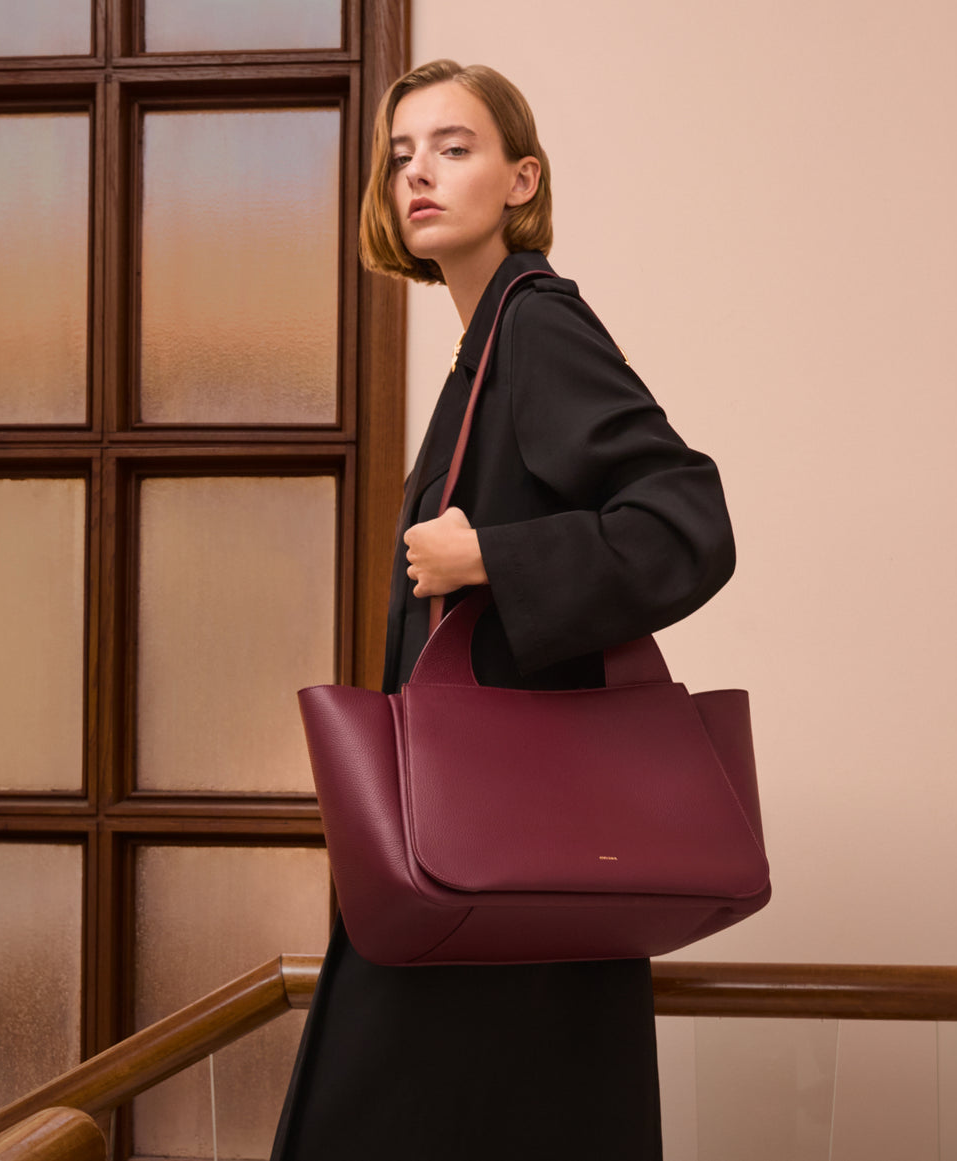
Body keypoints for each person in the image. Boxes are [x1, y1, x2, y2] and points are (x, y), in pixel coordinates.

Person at [271, 59, 736, 1160]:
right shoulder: (481, 352)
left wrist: (492, 554)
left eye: (454, 146)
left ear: (521, 180)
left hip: (505, 879)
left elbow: (685, 522)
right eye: (400, 155)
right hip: (485, 875)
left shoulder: (535, 327)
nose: (417, 172)